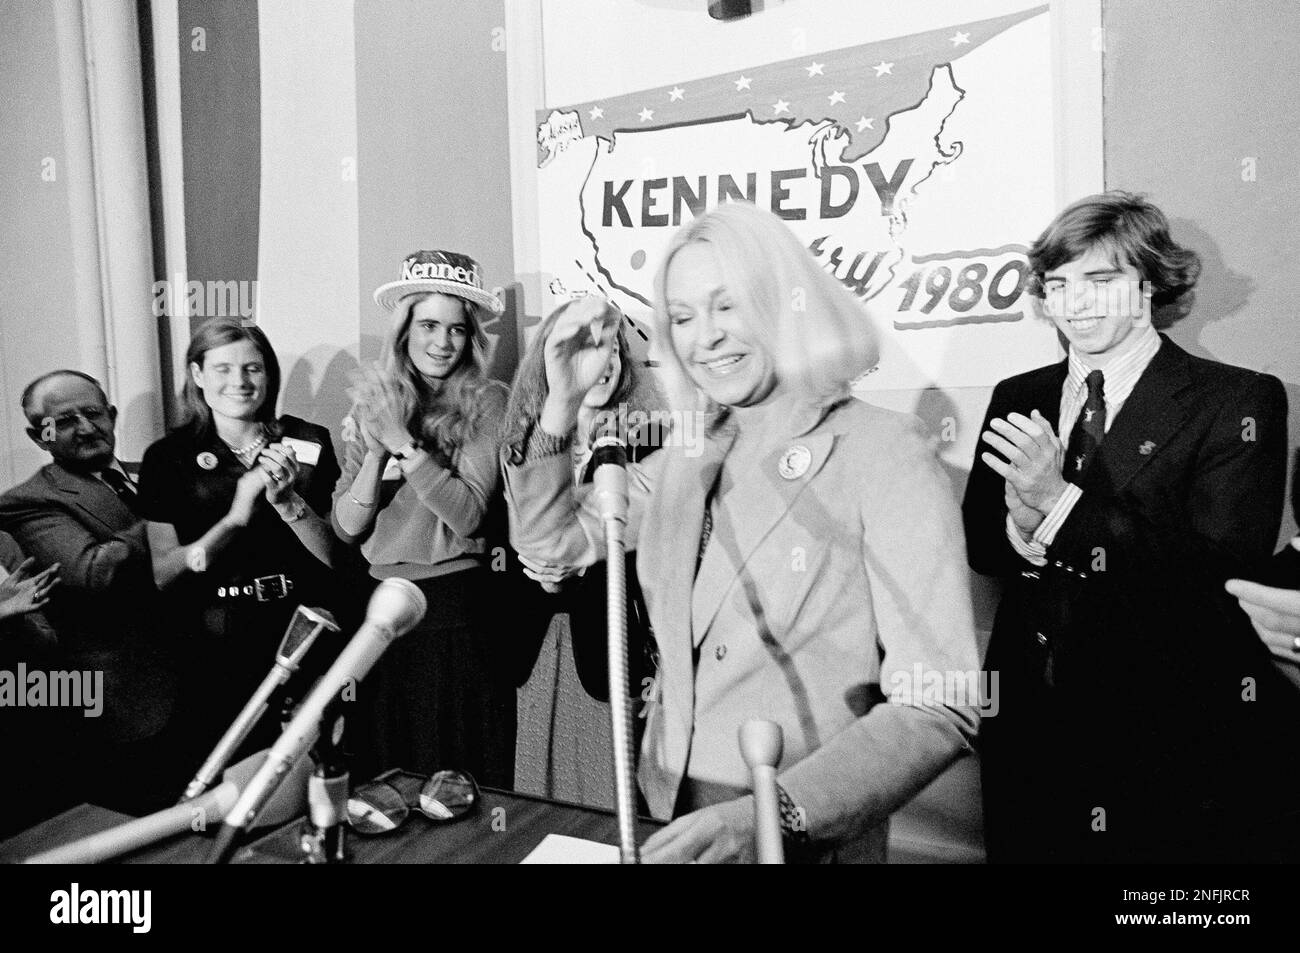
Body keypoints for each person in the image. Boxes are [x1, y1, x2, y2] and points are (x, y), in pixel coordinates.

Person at [504, 202, 981, 863]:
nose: (707, 337)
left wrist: (779, 813)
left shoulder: (883, 449)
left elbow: (941, 701)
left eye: (727, 305)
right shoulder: (685, 456)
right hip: (666, 806)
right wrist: (559, 404)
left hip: (804, 827)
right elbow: (548, 545)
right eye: (682, 317)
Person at [962, 191, 1300, 862]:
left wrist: (1057, 502)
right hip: (1028, 721)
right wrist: (1025, 524)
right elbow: (981, 545)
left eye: (1101, 280)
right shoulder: (1018, 394)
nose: (1073, 303)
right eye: (1057, 284)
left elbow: (1217, 571)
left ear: (1149, 283)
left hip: (1166, 733)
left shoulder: (1237, 399)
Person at [332, 250, 514, 787]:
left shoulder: (488, 402)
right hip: (380, 613)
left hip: (455, 611)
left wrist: (403, 445)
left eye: (457, 329)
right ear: (403, 330)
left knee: (455, 777)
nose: (443, 342)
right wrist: (374, 451)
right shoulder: (371, 402)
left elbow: (469, 517)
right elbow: (346, 527)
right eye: (429, 324)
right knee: (389, 776)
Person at [136, 319, 342, 763]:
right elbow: (166, 571)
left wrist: (290, 503)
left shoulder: (307, 441)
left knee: (309, 771)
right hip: (215, 642)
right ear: (197, 376)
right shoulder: (167, 458)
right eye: (223, 369)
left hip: (300, 630)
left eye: (253, 368)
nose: (240, 382)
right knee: (230, 776)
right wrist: (234, 519)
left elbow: (333, 556)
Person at [501, 300, 663, 805]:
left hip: (618, 639)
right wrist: (541, 564)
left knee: (613, 798)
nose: (603, 361)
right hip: (540, 643)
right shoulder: (528, 440)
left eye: (612, 350)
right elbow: (523, 537)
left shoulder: (654, 442)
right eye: (586, 349)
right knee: (544, 800)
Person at [0, 370, 179, 815]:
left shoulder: (156, 474)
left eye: (93, 413)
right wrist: (171, 515)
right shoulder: (27, 500)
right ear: (37, 435)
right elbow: (93, 573)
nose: (85, 427)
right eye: (63, 420)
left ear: (111, 416)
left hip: (208, 677)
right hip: (131, 702)